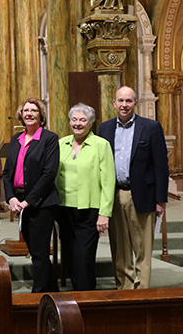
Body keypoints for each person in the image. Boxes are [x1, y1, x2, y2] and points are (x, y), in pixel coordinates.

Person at [98, 86, 169, 290]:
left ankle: (142, 291)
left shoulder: (151, 127)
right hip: (114, 194)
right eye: (120, 100)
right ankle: (125, 289)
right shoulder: (104, 129)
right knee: (119, 248)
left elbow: (161, 166)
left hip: (143, 195)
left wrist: (161, 200)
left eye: (129, 101)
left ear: (135, 103)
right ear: (114, 103)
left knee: (142, 248)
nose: (124, 105)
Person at [2, 97, 60, 293]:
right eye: (26, 110)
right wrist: (11, 198)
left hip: (41, 204)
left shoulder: (49, 139)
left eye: (34, 110)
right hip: (20, 201)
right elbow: (7, 172)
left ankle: (38, 295)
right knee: (35, 251)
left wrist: (28, 201)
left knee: (39, 253)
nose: (29, 114)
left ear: (41, 115)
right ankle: (52, 291)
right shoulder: (16, 140)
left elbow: (49, 173)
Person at [56, 103, 115, 291]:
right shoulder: (61, 144)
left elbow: (108, 181)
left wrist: (104, 213)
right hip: (64, 209)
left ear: (90, 123)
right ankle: (76, 293)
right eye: (74, 119)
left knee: (84, 256)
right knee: (70, 255)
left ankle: (86, 296)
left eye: (83, 120)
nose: (78, 124)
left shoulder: (101, 145)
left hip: (89, 211)